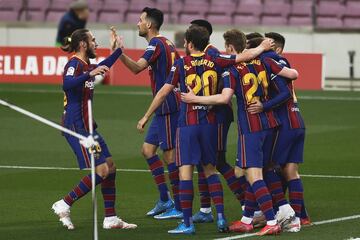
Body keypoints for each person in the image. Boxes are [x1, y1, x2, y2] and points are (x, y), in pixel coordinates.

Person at [137, 26, 274, 234]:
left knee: (185, 173)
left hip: (188, 124)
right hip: (210, 123)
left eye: (185, 42)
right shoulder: (216, 59)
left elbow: (164, 91)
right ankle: (219, 217)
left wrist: (146, 116)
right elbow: (241, 57)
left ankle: (187, 223)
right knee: (211, 169)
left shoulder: (182, 63)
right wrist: (262, 46)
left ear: (190, 44)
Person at [181, 29, 298, 236]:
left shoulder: (232, 69)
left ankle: (271, 220)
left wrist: (194, 99)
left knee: (253, 176)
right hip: (270, 124)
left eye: (226, 47)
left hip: (251, 127)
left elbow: (224, 98)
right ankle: (248, 219)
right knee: (259, 170)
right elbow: (292, 75)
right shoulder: (264, 61)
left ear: (230, 48)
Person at [51, 28, 137, 230]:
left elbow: (103, 66)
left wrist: (118, 50)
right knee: (102, 171)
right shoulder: (74, 63)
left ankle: (110, 218)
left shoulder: (85, 65)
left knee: (110, 167)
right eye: (93, 40)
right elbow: (67, 84)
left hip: (89, 126)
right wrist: (90, 73)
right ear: (83, 44)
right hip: (76, 127)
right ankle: (64, 203)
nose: (96, 44)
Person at [118, 7, 182, 219]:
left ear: (149, 25)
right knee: (147, 150)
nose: (137, 23)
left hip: (168, 105)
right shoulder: (167, 43)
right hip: (165, 104)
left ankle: (180, 207)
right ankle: (165, 199)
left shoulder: (155, 43)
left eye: (140, 20)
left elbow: (137, 68)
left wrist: (118, 53)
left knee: (170, 156)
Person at [248, 32, 310, 232]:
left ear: (276, 48)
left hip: (285, 123)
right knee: (291, 171)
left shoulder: (271, 61)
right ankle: (300, 216)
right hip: (297, 119)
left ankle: (281, 211)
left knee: (267, 165)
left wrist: (264, 106)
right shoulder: (282, 62)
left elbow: (284, 93)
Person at [189, 20, 247, 223]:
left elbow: (224, 79)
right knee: (203, 161)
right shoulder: (201, 55)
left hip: (219, 113)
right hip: (207, 114)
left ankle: (245, 203)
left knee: (217, 161)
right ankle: (205, 209)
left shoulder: (212, 53)